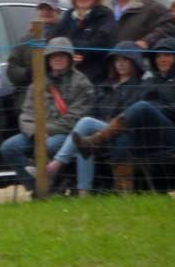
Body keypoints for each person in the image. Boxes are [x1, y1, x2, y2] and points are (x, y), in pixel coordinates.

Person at [74, 37, 175, 192]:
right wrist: (153, 109)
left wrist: (156, 109)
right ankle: (124, 192)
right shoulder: (149, 82)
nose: (162, 59)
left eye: (167, 55)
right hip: (149, 136)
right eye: (158, 56)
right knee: (122, 134)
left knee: (142, 107)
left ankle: (97, 140)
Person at [43, 42, 148, 195]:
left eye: (125, 60)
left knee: (85, 124)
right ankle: (83, 193)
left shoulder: (140, 87)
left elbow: (129, 116)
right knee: (82, 140)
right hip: (98, 130)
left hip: (122, 131)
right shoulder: (104, 86)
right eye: (117, 60)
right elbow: (93, 110)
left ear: (135, 62)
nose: (121, 64)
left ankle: (55, 165)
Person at [0, 37, 94, 192]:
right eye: (54, 55)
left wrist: (45, 131)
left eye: (62, 56)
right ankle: (37, 187)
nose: (58, 59)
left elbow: (73, 121)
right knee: (8, 147)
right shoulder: (38, 82)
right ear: (48, 59)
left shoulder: (82, 84)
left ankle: (51, 183)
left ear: (70, 58)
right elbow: (26, 114)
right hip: (36, 133)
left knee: (48, 146)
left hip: (65, 134)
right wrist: (36, 133)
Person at [49, 0, 118, 85]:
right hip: (65, 80)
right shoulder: (68, 15)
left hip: (95, 80)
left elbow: (102, 44)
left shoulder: (104, 15)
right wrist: (72, 53)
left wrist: (70, 48)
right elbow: (53, 40)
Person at [7, 0, 61, 110]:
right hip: (28, 103)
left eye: (50, 9)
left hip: (57, 101)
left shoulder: (64, 38)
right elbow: (11, 69)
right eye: (42, 8)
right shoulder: (25, 40)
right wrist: (27, 74)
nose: (45, 12)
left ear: (58, 12)